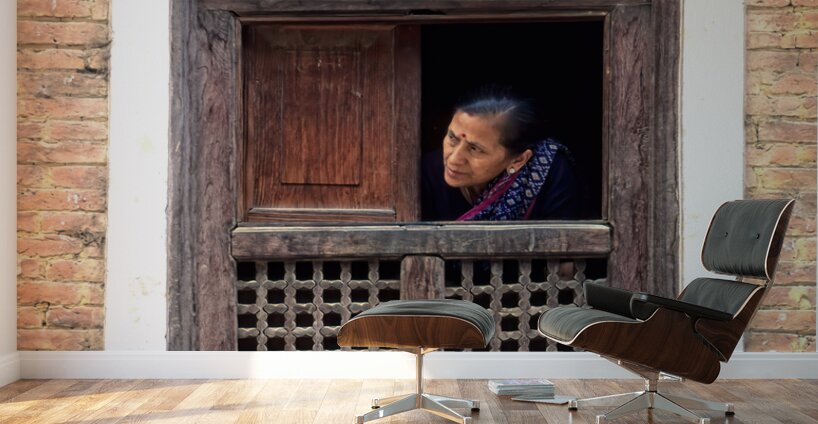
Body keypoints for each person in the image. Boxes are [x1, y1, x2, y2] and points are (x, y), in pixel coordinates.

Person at [421, 95, 579, 221]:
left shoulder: (548, 171)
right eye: (452, 138)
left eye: (475, 149)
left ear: (518, 160)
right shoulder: (426, 172)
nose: (454, 159)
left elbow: (565, 257)